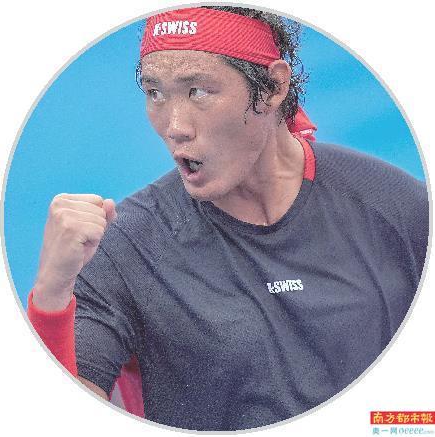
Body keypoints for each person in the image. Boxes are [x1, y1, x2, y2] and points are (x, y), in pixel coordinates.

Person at [26, 6, 428, 431]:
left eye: (198, 91)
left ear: (273, 87)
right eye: (155, 93)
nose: (174, 126)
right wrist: (52, 293)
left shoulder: (398, 208)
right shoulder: (122, 249)